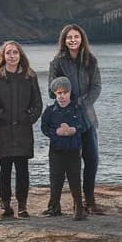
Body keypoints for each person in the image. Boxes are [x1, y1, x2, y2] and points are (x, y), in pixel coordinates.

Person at [49, 23, 103, 214]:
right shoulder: (57, 63)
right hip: (66, 119)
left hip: (87, 117)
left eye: (76, 37)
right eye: (69, 37)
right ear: (64, 40)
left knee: (92, 159)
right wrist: (69, 100)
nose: (73, 40)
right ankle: (75, 203)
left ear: (82, 39)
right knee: (71, 163)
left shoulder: (91, 61)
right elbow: (51, 90)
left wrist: (82, 102)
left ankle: (90, 201)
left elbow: (96, 87)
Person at [0, 40, 43, 219]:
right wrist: (3, 116)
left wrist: (28, 118)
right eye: (8, 53)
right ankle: (5, 205)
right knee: (4, 169)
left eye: (15, 52)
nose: (12, 56)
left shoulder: (29, 76)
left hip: (23, 131)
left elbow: (38, 104)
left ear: (20, 55)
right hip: (2, 131)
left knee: (22, 170)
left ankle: (22, 205)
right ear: (3, 56)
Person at [40, 76, 90, 220]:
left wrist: (73, 129)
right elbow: (44, 127)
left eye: (64, 92)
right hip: (56, 150)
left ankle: (79, 208)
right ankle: (54, 207)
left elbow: (85, 125)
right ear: (55, 94)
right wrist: (56, 132)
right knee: (55, 179)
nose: (62, 96)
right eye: (58, 93)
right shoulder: (50, 111)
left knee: (74, 179)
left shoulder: (78, 108)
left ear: (69, 92)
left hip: (73, 150)